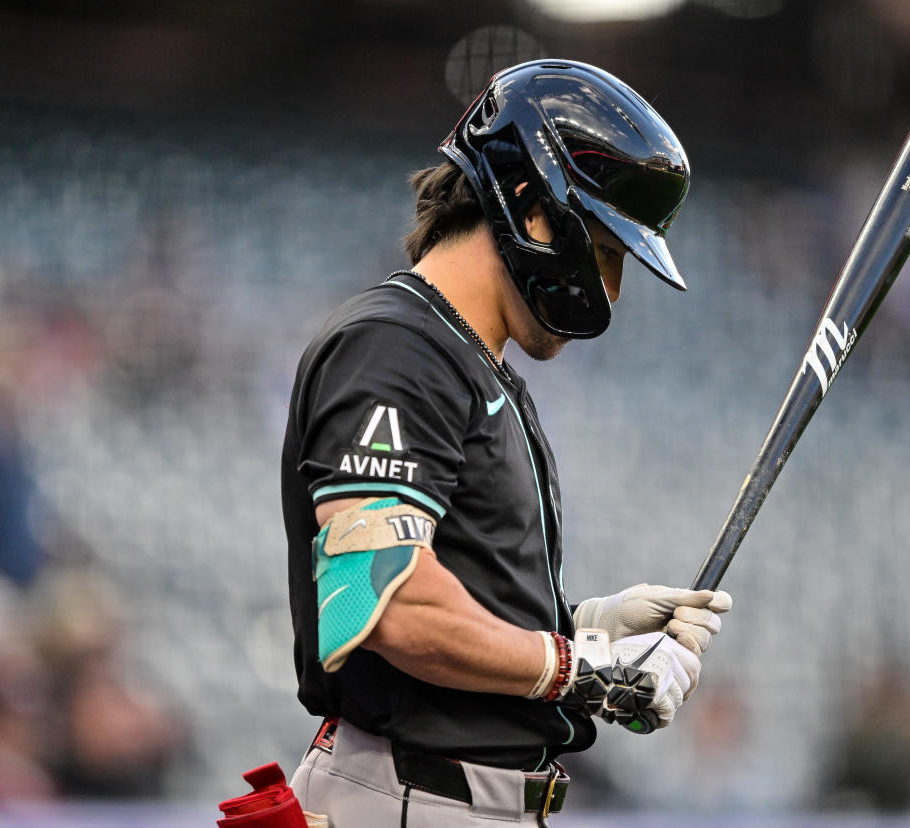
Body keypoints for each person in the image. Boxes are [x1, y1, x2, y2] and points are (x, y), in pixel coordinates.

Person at [280, 60, 732, 826]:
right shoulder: (395, 348)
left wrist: (587, 623)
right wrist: (584, 669)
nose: (611, 290)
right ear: (531, 207)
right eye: (608, 251)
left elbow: (458, 586)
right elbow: (382, 605)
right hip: (408, 801)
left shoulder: (467, 360)